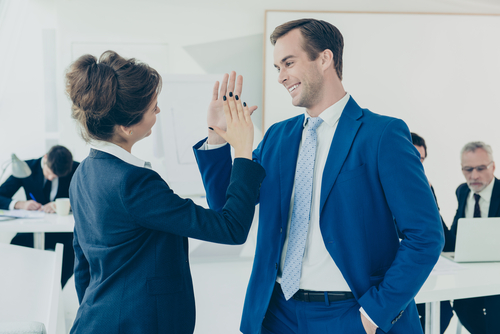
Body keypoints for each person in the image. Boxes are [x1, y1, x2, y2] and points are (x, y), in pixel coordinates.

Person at [194, 19, 444, 334]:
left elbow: (426, 235)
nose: (281, 76)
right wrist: (217, 137)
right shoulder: (276, 138)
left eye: (288, 63)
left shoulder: (383, 135)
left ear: (324, 59)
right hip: (277, 315)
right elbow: (226, 210)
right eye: (277, 67)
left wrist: (373, 315)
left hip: (350, 314)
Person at [65, 50, 265, 334]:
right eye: (152, 108)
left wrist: (216, 135)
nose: (158, 112)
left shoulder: (83, 172)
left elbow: (82, 263)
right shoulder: (133, 183)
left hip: (96, 321)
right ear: (126, 127)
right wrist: (243, 151)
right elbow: (231, 228)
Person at [0, 145, 79, 287]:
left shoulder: (76, 169)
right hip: (32, 230)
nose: (51, 178)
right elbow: (1, 195)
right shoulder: (26, 167)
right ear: (45, 158)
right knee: (16, 246)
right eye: (49, 172)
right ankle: (26, 288)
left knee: (75, 249)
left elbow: (88, 198)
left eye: (56, 176)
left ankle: (54, 289)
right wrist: (20, 204)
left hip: (62, 233)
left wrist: (65, 205)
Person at [450, 141, 500, 334]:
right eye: (468, 169)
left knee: (495, 311)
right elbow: (455, 238)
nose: (474, 176)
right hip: (470, 274)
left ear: (493, 166)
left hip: (497, 275)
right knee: (462, 308)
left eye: (481, 168)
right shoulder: (463, 191)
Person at [410, 132, 454, 333]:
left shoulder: (425, 187)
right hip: (396, 268)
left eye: (422, 160)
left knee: (445, 310)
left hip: (424, 265)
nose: (418, 165)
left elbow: (444, 238)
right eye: (413, 158)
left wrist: (429, 199)